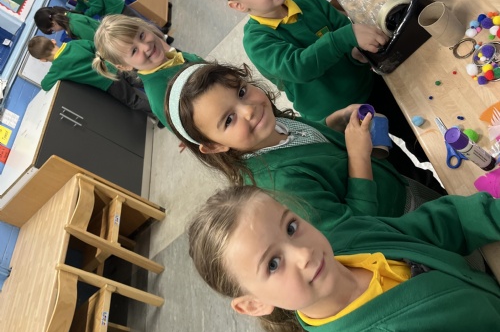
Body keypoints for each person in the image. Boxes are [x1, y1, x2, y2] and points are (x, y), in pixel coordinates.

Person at [205, 0, 443, 190]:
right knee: (402, 173)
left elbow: (344, 31)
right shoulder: (257, 40)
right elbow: (298, 66)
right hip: (342, 118)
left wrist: (356, 52)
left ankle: (457, 171)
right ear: (239, 5)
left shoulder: (309, 2)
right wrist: (345, 38)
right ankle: (439, 197)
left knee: (421, 137)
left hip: (373, 87)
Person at [165, 62, 442, 235]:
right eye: (228, 119)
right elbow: (354, 230)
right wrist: (359, 156)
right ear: (214, 145)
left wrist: (332, 123)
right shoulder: (281, 186)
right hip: (402, 226)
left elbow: (307, 143)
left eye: (241, 92)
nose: (248, 110)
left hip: (402, 189)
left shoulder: (274, 124)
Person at [188, 185, 500, 332]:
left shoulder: (349, 237)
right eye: (273, 263)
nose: (304, 253)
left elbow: (436, 225)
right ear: (254, 305)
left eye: (291, 227)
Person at [93, 15, 204, 127]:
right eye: (134, 51)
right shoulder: (160, 93)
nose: (146, 47)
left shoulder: (175, 56)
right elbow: (185, 129)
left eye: (141, 35)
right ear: (124, 66)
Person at [28, 36, 152, 114]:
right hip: (114, 67)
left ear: (42, 60)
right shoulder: (74, 44)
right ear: (53, 41)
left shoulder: (57, 69)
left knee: (134, 101)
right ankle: (162, 94)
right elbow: (96, 47)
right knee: (143, 82)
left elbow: (45, 85)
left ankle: (160, 111)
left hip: (109, 83)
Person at [34, 6, 100, 41]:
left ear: (53, 23)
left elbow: (97, 41)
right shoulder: (69, 17)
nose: (55, 31)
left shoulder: (74, 25)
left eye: (52, 30)